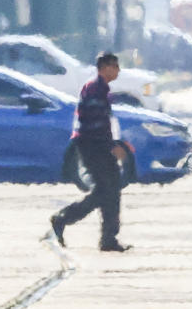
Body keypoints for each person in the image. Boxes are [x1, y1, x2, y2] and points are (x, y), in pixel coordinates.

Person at [50, 52, 131, 252]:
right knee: (105, 189)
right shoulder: (95, 90)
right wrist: (112, 146)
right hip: (92, 146)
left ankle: (108, 238)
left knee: (110, 189)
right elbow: (95, 123)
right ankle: (63, 218)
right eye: (115, 66)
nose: (118, 70)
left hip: (98, 144)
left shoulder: (100, 89)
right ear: (104, 68)